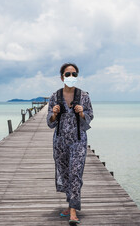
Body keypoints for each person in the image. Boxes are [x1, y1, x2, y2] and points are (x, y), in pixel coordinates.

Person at [46, 63, 94, 224]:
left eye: (74, 74)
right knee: (64, 172)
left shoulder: (84, 96)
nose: (71, 77)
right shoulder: (55, 96)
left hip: (78, 141)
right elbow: (50, 122)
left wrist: (82, 112)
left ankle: (73, 210)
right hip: (60, 141)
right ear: (62, 77)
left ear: (77, 76)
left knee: (75, 173)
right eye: (68, 74)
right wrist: (53, 114)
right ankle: (70, 202)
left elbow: (90, 116)